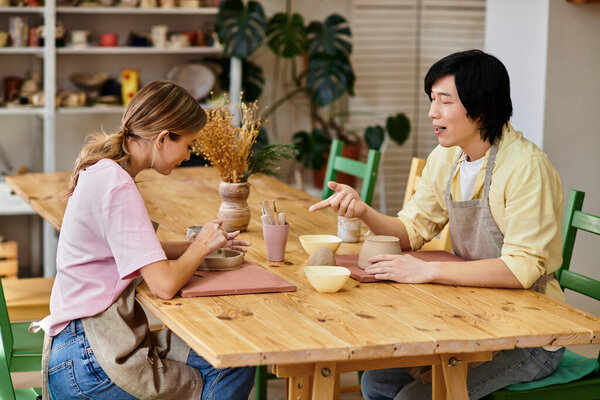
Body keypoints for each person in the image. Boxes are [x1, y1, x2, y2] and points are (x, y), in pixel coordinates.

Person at [309, 49, 565, 399]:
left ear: (481, 107)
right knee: (376, 381)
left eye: (444, 101)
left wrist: (427, 271)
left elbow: (520, 270)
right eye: (432, 100)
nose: (432, 112)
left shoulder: (526, 168)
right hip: (470, 313)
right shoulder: (447, 156)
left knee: (412, 397)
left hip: (532, 333)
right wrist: (363, 211)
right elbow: (410, 232)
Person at [37, 81, 255, 400]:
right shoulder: (118, 187)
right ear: (164, 138)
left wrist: (200, 246)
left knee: (229, 357)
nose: (189, 154)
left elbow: (129, 252)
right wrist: (198, 246)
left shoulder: (104, 171)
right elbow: (164, 286)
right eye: (189, 144)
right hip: (92, 362)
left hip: (78, 347)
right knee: (232, 366)